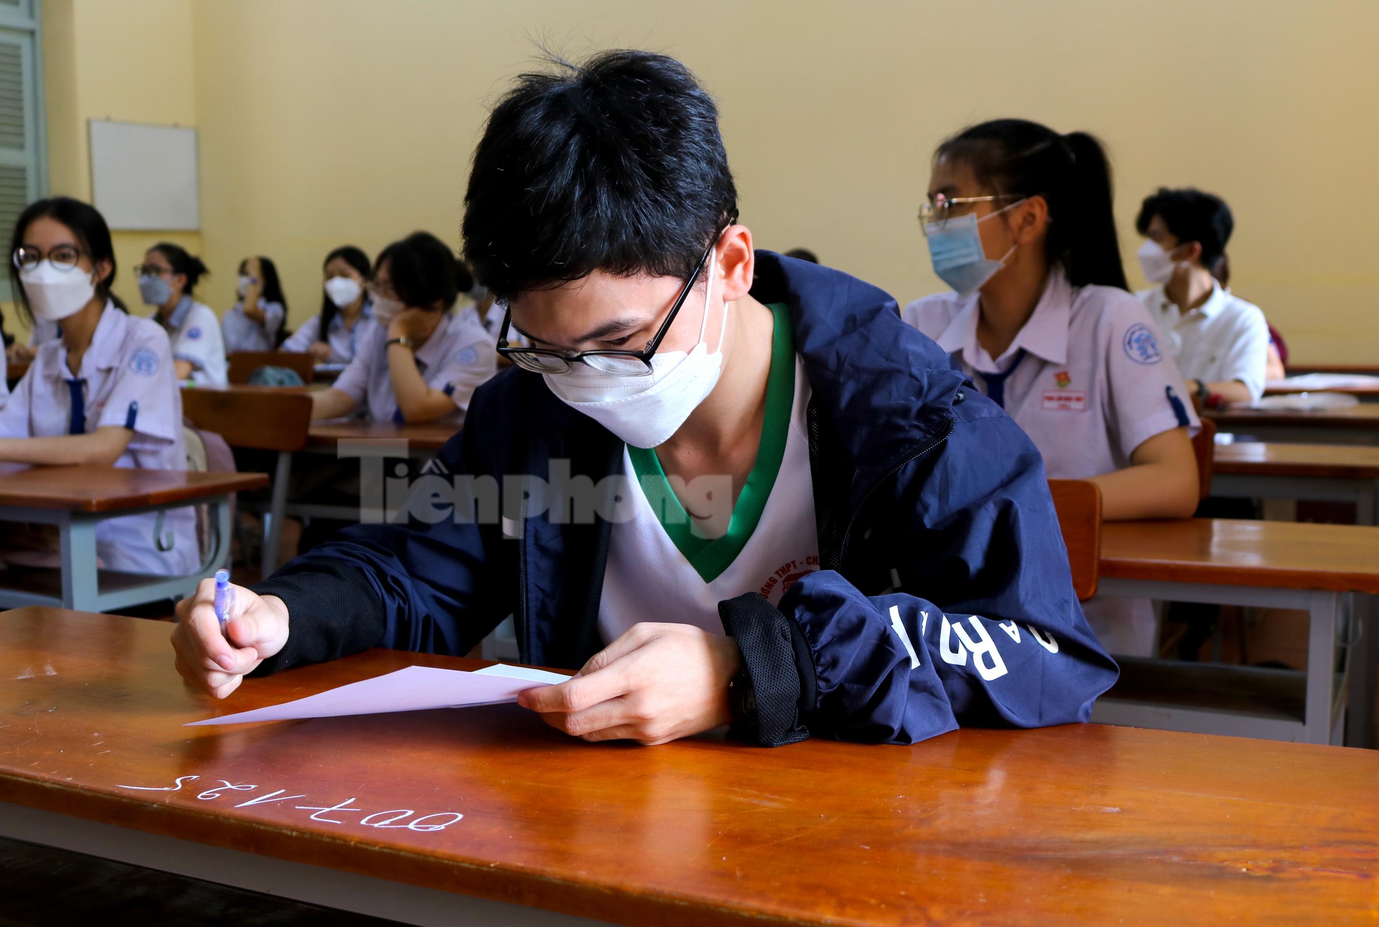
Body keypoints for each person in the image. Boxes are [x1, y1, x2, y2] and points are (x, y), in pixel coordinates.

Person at [171, 50, 1116, 747]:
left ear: (730, 264)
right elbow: (420, 573)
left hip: (852, 837)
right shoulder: (532, 410)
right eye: (545, 347)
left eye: (620, 343)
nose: (585, 377)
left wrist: (750, 668)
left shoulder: (907, 413)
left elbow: (1043, 652)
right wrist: (282, 614)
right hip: (605, 831)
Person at [900, 120, 1198, 655]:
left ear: (1028, 218)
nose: (934, 223)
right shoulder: (923, 325)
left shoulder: (1108, 319)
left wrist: (1015, 508)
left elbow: (1175, 480)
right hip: (956, 633)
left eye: (949, 203)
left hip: (1088, 633)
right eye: (931, 206)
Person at [0, 197, 197, 575]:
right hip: (59, 538)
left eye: (63, 256)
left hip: (136, 544)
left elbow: (103, 448)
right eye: (31, 257)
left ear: (101, 268)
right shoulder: (48, 358)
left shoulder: (143, 340)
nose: (43, 271)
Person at [307, 232, 496, 424]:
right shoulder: (379, 331)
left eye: (390, 289)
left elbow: (417, 410)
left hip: (439, 445)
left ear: (434, 300)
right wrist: (290, 409)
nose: (379, 297)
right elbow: (338, 398)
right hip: (379, 443)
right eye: (377, 285)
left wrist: (398, 332)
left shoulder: (474, 345)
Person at [1135, 188, 1270, 407]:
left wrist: (1191, 388)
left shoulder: (1242, 318)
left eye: (1157, 238)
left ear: (1190, 250)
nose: (1145, 250)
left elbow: (1245, 390)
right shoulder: (1133, 307)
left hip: (1210, 426)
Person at [139, 242, 227, 386]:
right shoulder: (151, 321)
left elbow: (178, 372)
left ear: (180, 280)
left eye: (155, 271)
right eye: (144, 271)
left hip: (204, 399)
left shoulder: (200, 316)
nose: (146, 278)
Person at [280, 246, 374, 363]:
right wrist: (308, 353)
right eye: (330, 277)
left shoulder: (378, 320)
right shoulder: (321, 321)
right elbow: (283, 353)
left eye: (345, 275)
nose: (336, 282)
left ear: (364, 281)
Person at [222, 255, 287, 353]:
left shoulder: (274, 309)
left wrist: (253, 278)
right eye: (243, 274)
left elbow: (249, 310)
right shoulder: (231, 313)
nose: (245, 279)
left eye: (250, 275)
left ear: (265, 280)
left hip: (258, 361)